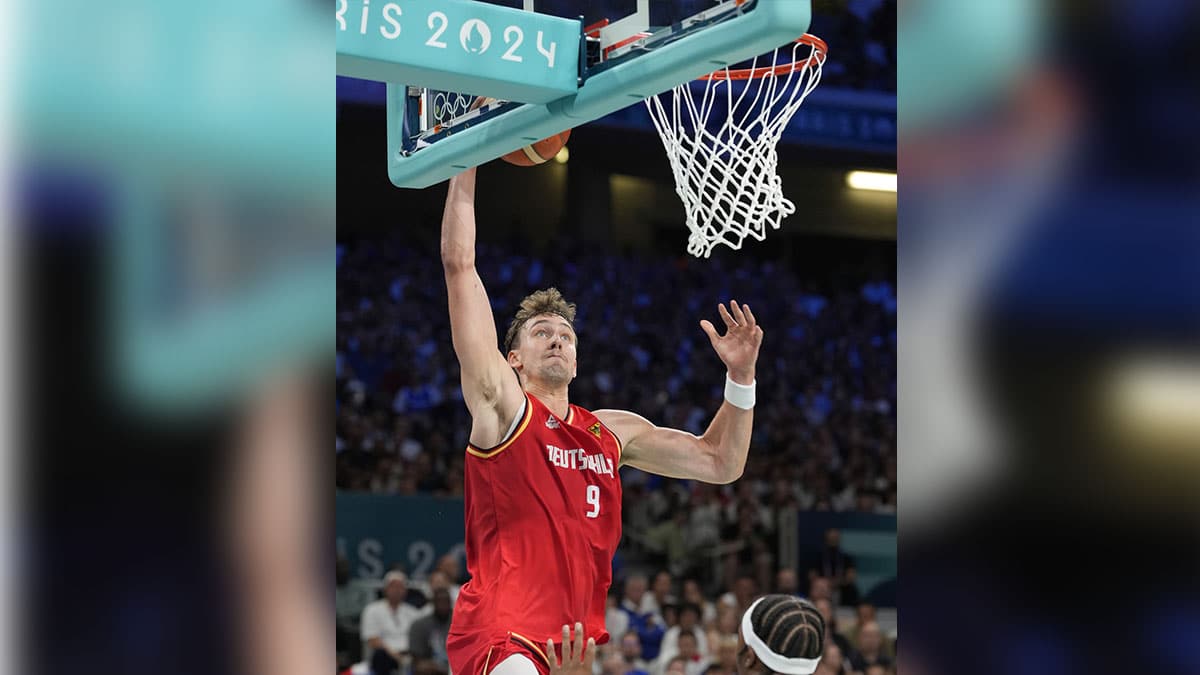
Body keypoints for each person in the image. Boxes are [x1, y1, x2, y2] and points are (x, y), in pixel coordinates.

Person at [440, 166, 764, 675]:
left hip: (573, 647)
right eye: (542, 332)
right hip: (503, 635)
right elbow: (460, 267)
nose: (557, 340)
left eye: (566, 335)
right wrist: (466, 161)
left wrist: (741, 379)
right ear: (513, 359)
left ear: (577, 358)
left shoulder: (612, 431)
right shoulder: (502, 408)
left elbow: (721, 462)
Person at [361, 571, 431, 675]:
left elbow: (419, 638)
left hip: (409, 655)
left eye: (400, 587)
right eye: (393, 586)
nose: (396, 590)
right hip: (385, 656)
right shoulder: (372, 610)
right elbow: (372, 640)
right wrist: (396, 656)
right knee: (380, 655)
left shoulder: (413, 612)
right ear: (385, 589)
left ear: (405, 591)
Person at [410, 588, 454, 675]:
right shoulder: (419, 625)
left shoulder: (461, 624)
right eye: (439, 601)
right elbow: (418, 663)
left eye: (446, 601)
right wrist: (439, 668)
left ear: (450, 603)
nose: (443, 605)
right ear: (433, 603)